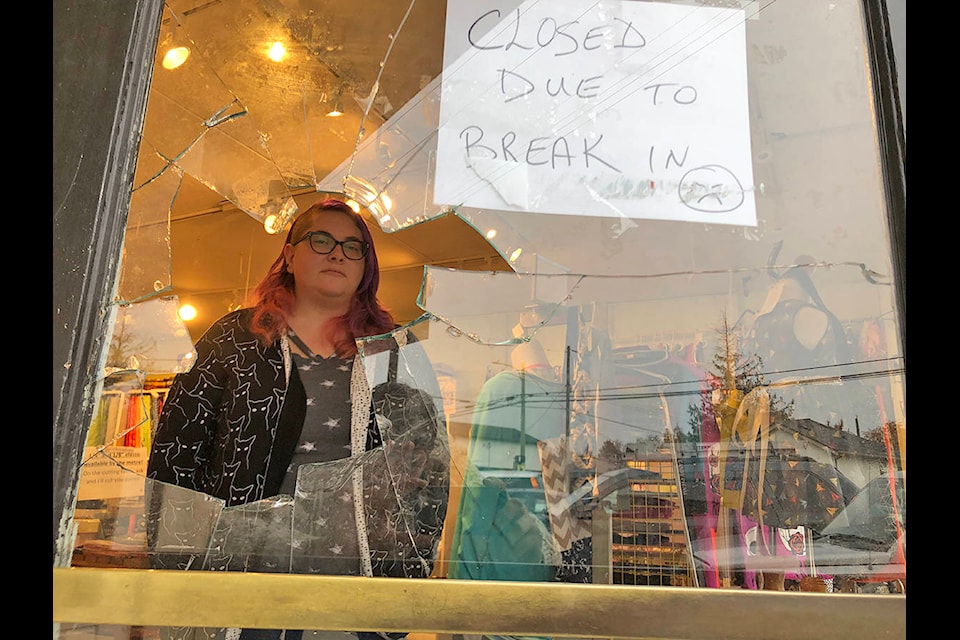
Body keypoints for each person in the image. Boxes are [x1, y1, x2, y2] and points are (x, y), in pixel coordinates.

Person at [146, 198, 449, 640]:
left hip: (357, 584)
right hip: (242, 580)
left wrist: (408, 572)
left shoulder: (393, 350)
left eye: (352, 246)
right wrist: (177, 568)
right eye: (321, 240)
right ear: (289, 254)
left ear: (366, 265)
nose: (337, 254)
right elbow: (177, 454)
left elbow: (430, 474)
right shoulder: (234, 338)